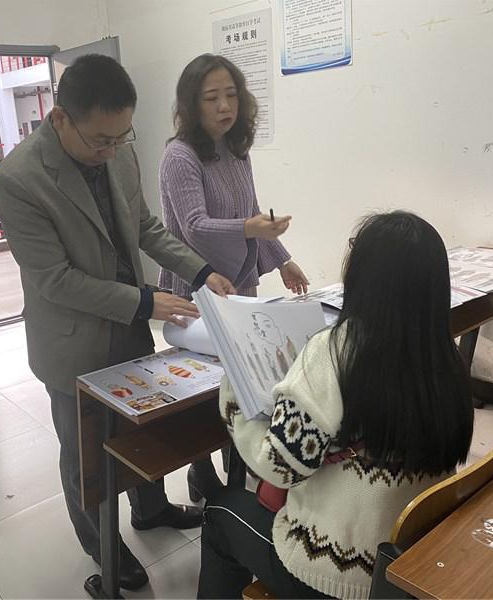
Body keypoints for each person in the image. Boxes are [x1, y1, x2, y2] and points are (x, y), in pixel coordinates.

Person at [0, 54, 236, 591]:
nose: (113, 149)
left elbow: (146, 227)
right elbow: (55, 280)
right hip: (72, 341)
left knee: (142, 426)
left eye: (123, 136)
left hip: (128, 321)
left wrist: (200, 271)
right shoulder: (19, 179)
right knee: (84, 450)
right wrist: (147, 302)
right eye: (102, 140)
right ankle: (102, 545)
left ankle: (151, 510)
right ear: (60, 119)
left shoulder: (119, 151)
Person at [197, 211, 475, 599]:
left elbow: (279, 467)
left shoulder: (334, 351)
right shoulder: (445, 357)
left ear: (365, 276)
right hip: (408, 565)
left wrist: (236, 397)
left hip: (334, 575)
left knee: (221, 511)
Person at [158, 54, 310, 501]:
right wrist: (250, 228)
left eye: (231, 95)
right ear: (192, 104)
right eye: (212, 98)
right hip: (196, 286)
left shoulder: (236, 149)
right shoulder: (179, 155)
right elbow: (194, 226)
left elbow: (253, 213)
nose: (225, 106)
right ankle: (201, 469)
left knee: (245, 378)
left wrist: (282, 259)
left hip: (238, 283)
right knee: (204, 385)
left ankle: (237, 466)